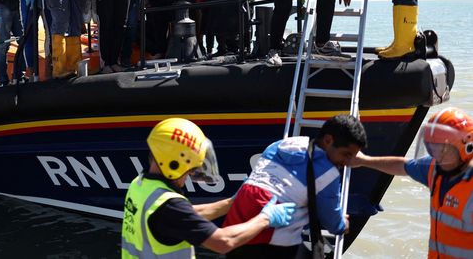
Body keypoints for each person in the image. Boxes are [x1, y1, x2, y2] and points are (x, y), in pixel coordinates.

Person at [121, 117, 297, 257]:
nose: (190, 174)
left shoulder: (140, 185)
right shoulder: (170, 206)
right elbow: (223, 242)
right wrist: (265, 218)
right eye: (191, 170)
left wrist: (232, 202)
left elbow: (183, 216)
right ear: (173, 164)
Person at [223, 114, 367, 258]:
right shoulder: (328, 173)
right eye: (346, 154)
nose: (348, 162)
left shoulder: (278, 145)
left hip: (234, 231)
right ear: (328, 140)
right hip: (269, 240)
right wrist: (343, 224)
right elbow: (332, 223)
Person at [351, 107, 473, 258]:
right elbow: (402, 165)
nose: (437, 156)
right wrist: (363, 160)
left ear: (466, 148)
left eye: (443, 149)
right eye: (432, 147)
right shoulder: (435, 170)